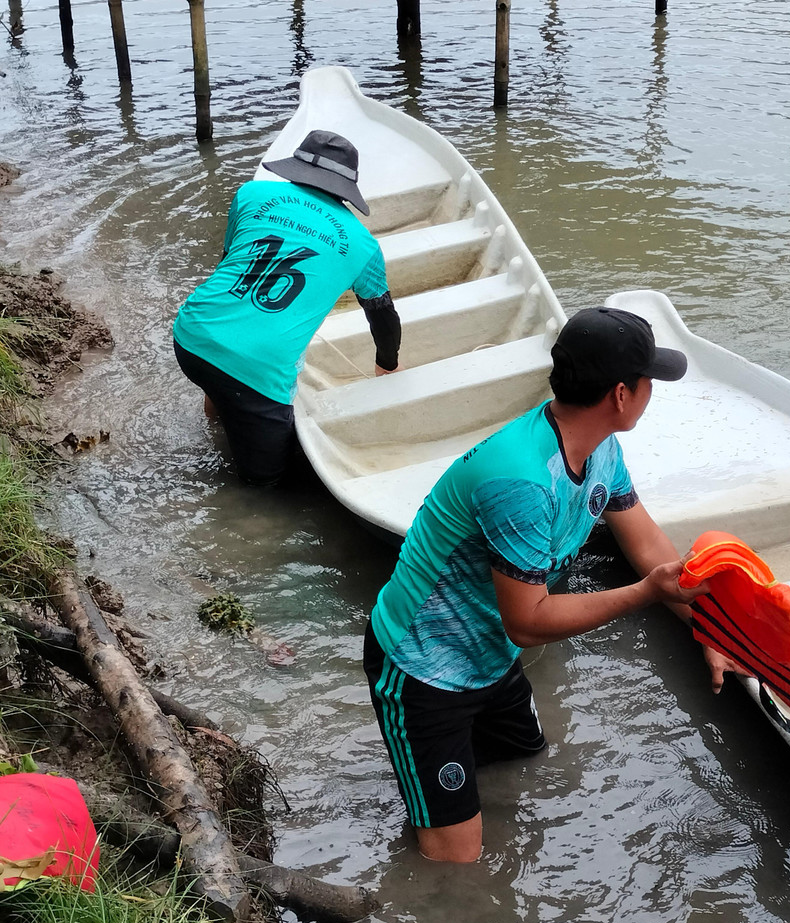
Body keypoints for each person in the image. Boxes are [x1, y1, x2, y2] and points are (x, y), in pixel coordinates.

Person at [363, 306, 734, 863]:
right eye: (647, 380)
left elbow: (647, 546)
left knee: (526, 767)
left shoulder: (601, 447)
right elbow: (530, 621)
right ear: (620, 395)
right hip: (424, 668)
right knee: (456, 862)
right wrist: (644, 594)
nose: (650, 390)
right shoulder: (520, 479)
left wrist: (708, 629)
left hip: (489, 655)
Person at [172, 130, 402, 486]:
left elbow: (228, 262)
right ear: (347, 187)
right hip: (256, 374)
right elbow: (382, 314)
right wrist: (388, 363)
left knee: (222, 380)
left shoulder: (252, 193)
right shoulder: (362, 244)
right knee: (268, 484)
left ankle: (217, 413)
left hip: (191, 337)